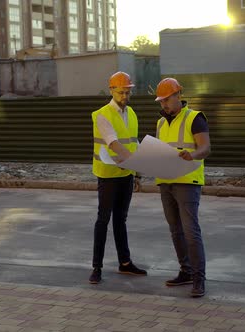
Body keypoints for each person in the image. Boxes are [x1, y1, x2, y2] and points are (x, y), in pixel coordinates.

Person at [154, 78, 211, 297]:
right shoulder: (160, 123)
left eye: (167, 99)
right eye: (161, 101)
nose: (164, 104)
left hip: (187, 181)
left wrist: (192, 155)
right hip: (166, 181)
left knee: (190, 231)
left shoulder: (195, 118)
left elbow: (205, 148)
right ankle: (186, 272)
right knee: (175, 230)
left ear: (179, 95)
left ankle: (199, 279)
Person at [89, 71, 147, 284]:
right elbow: (113, 143)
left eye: (127, 92)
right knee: (103, 220)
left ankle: (125, 263)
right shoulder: (102, 114)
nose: (124, 96)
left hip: (127, 175)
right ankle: (97, 267)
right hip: (108, 175)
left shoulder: (131, 113)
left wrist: (137, 172)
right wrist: (133, 161)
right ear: (111, 90)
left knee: (120, 220)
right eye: (120, 92)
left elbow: (134, 142)